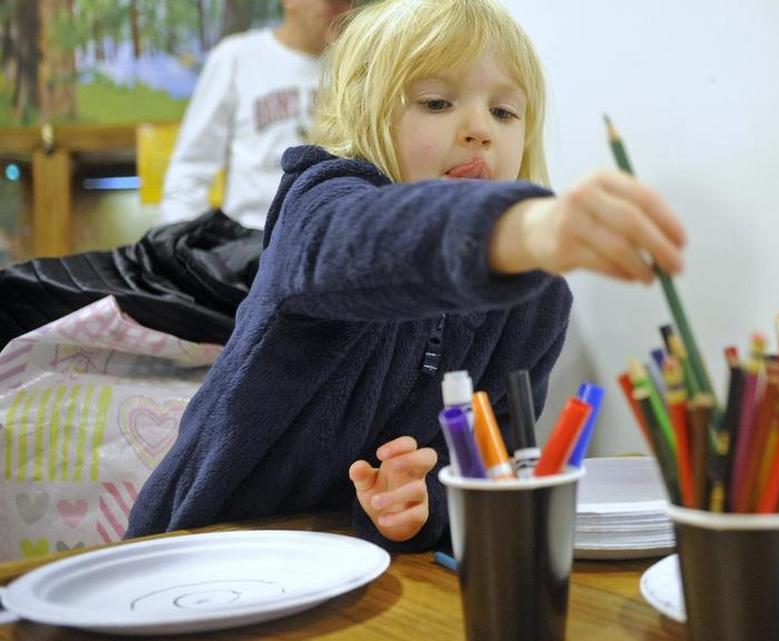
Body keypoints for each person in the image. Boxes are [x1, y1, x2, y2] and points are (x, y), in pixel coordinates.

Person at [126, 0, 686, 552]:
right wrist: (519, 229)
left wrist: (422, 505)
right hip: (202, 548)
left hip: (359, 572)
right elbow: (357, 243)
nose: (479, 130)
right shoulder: (319, 204)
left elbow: (492, 473)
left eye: (505, 112)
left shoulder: (536, 302)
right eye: (438, 102)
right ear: (366, 113)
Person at [159, 0, 354, 229]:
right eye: (331, 3)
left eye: (348, 2)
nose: (344, 11)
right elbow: (191, 166)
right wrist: (183, 248)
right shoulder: (237, 58)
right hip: (252, 245)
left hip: (333, 242)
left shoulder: (358, 68)